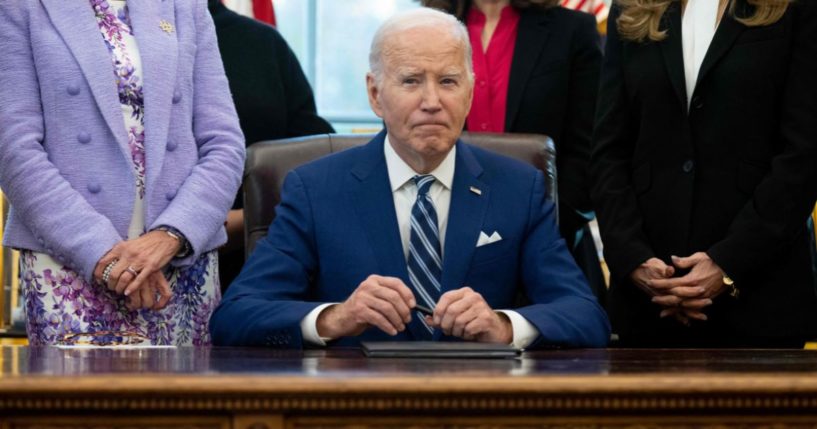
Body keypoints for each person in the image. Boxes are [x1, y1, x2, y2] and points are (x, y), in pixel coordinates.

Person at [210, 8, 610, 349]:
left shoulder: (518, 187)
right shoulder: (315, 189)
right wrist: (336, 317)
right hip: (356, 406)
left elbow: (585, 315)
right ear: (374, 93)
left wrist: (503, 326)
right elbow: (237, 314)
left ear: (469, 93)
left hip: (479, 403)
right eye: (411, 81)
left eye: (449, 81)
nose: (432, 102)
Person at [0, 0, 245, 346]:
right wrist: (103, 254)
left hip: (178, 262)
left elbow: (225, 143)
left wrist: (170, 237)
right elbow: (14, 149)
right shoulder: (17, 6)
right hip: (70, 260)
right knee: (79, 399)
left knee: (183, 399)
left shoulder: (186, 5)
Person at [591, 0, 817, 347]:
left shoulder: (797, 8)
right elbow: (609, 150)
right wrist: (634, 259)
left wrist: (728, 263)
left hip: (759, 299)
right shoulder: (631, 6)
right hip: (649, 300)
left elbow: (803, 155)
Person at [420, 0, 606, 305]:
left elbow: (590, 148)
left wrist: (543, 226)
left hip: (547, 244)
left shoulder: (571, 29)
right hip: (440, 239)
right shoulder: (426, 30)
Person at [207, 0, 335, 291]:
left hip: (250, 272)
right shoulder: (113, 41)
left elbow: (317, 159)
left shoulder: (262, 44)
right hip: (119, 260)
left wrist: (247, 221)